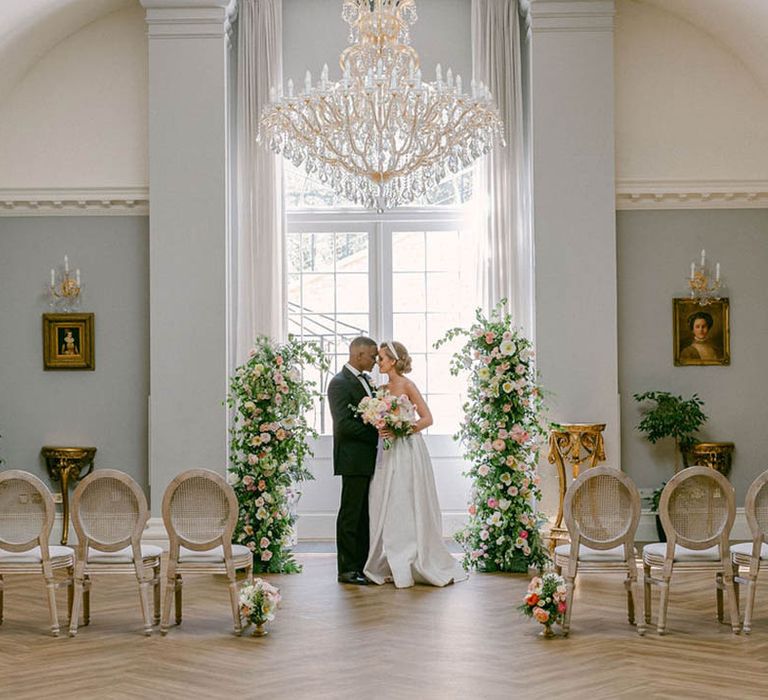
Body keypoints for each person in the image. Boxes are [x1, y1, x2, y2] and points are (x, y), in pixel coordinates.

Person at [364, 340, 468, 588]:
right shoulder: (380, 388)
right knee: (386, 501)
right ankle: (390, 558)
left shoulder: (407, 385)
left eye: (381, 358)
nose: (377, 362)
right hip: (387, 452)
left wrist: (401, 429)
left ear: (392, 360)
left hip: (408, 449)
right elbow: (379, 417)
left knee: (406, 498)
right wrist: (380, 424)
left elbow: (427, 418)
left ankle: (413, 557)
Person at [328, 336, 380, 585]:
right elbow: (344, 425)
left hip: (368, 457)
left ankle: (361, 565)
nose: (376, 361)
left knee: (364, 514)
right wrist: (378, 431)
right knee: (351, 514)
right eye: (373, 356)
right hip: (352, 458)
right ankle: (346, 569)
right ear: (359, 355)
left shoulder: (368, 381)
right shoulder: (339, 383)